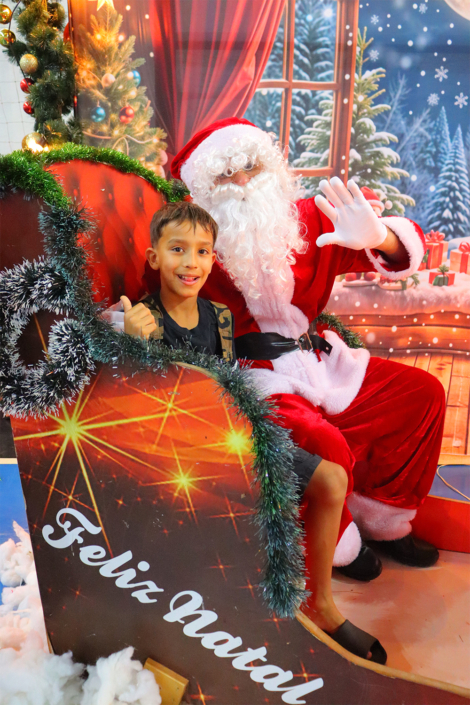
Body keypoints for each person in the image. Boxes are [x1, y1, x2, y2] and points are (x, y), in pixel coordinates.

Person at [164, 117, 445, 663]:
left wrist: (380, 238)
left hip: (321, 360)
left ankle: (384, 519)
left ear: (271, 166)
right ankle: (338, 548)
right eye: (225, 176)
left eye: (251, 167)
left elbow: (394, 246)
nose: (243, 183)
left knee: (422, 394)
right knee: (319, 443)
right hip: (256, 373)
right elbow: (157, 296)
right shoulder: (192, 242)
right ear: (203, 190)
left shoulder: (309, 218)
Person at [120, 201, 235, 362]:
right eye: (177, 249)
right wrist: (133, 343)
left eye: (202, 251)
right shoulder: (140, 321)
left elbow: (230, 375)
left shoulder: (221, 317)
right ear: (154, 258)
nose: (192, 263)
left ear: (211, 261)